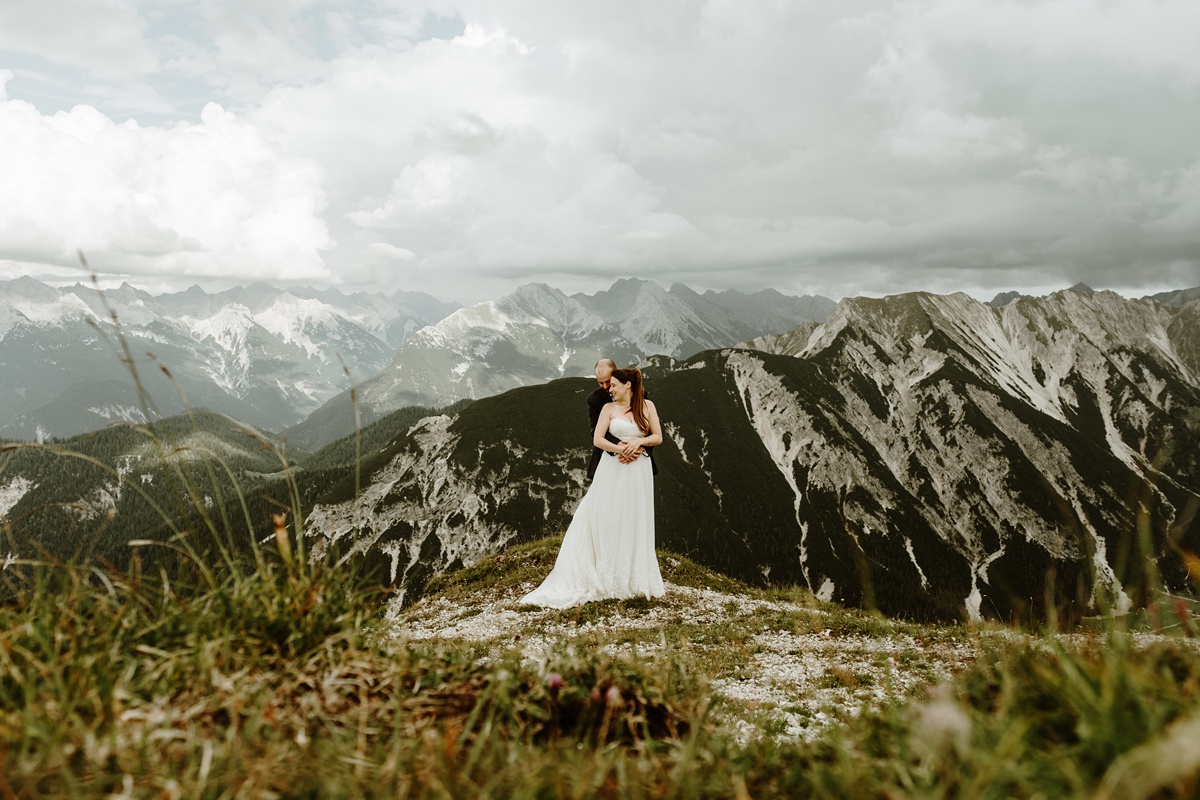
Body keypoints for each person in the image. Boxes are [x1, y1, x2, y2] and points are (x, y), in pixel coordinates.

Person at [520, 367, 666, 608]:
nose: (610, 390)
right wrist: (622, 449)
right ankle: (606, 569)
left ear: (628, 386)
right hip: (613, 467)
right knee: (607, 516)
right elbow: (598, 439)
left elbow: (658, 436)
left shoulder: (647, 406)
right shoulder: (608, 409)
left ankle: (633, 575)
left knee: (633, 517)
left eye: (614, 386)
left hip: (638, 471)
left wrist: (639, 442)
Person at [587, 359, 657, 479]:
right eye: (600, 383)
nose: (606, 387)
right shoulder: (595, 400)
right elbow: (595, 431)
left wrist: (640, 447)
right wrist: (620, 447)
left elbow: (648, 428)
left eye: (609, 382)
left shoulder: (641, 397)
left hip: (638, 457)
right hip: (609, 457)